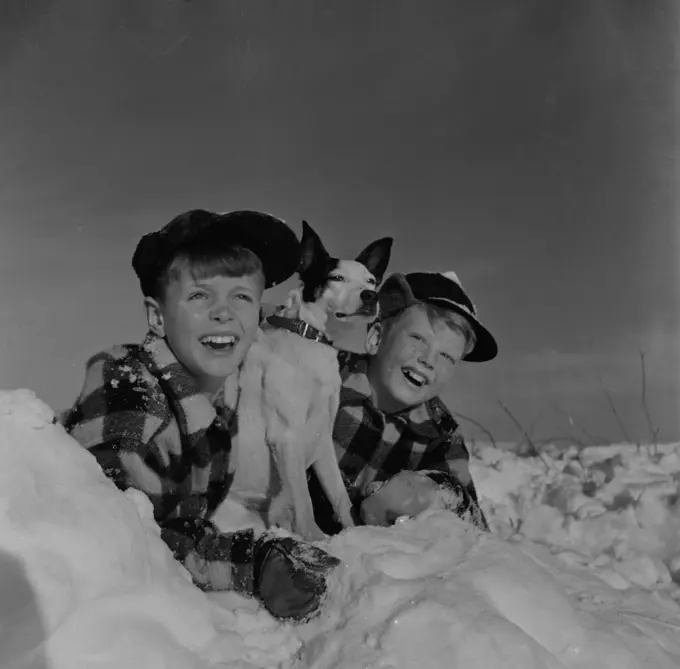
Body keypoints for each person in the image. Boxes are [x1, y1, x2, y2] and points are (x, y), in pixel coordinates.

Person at [63, 209, 340, 622]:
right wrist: (252, 561)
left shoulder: (214, 414)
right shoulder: (129, 384)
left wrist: (258, 559)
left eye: (242, 297)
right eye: (199, 296)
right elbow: (118, 535)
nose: (224, 312)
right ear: (157, 317)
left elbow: (182, 531)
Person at [310, 270, 497, 534]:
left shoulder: (439, 433)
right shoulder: (321, 375)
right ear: (376, 338)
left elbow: (474, 530)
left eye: (446, 357)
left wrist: (433, 491)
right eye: (418, 339)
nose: (428, 361)